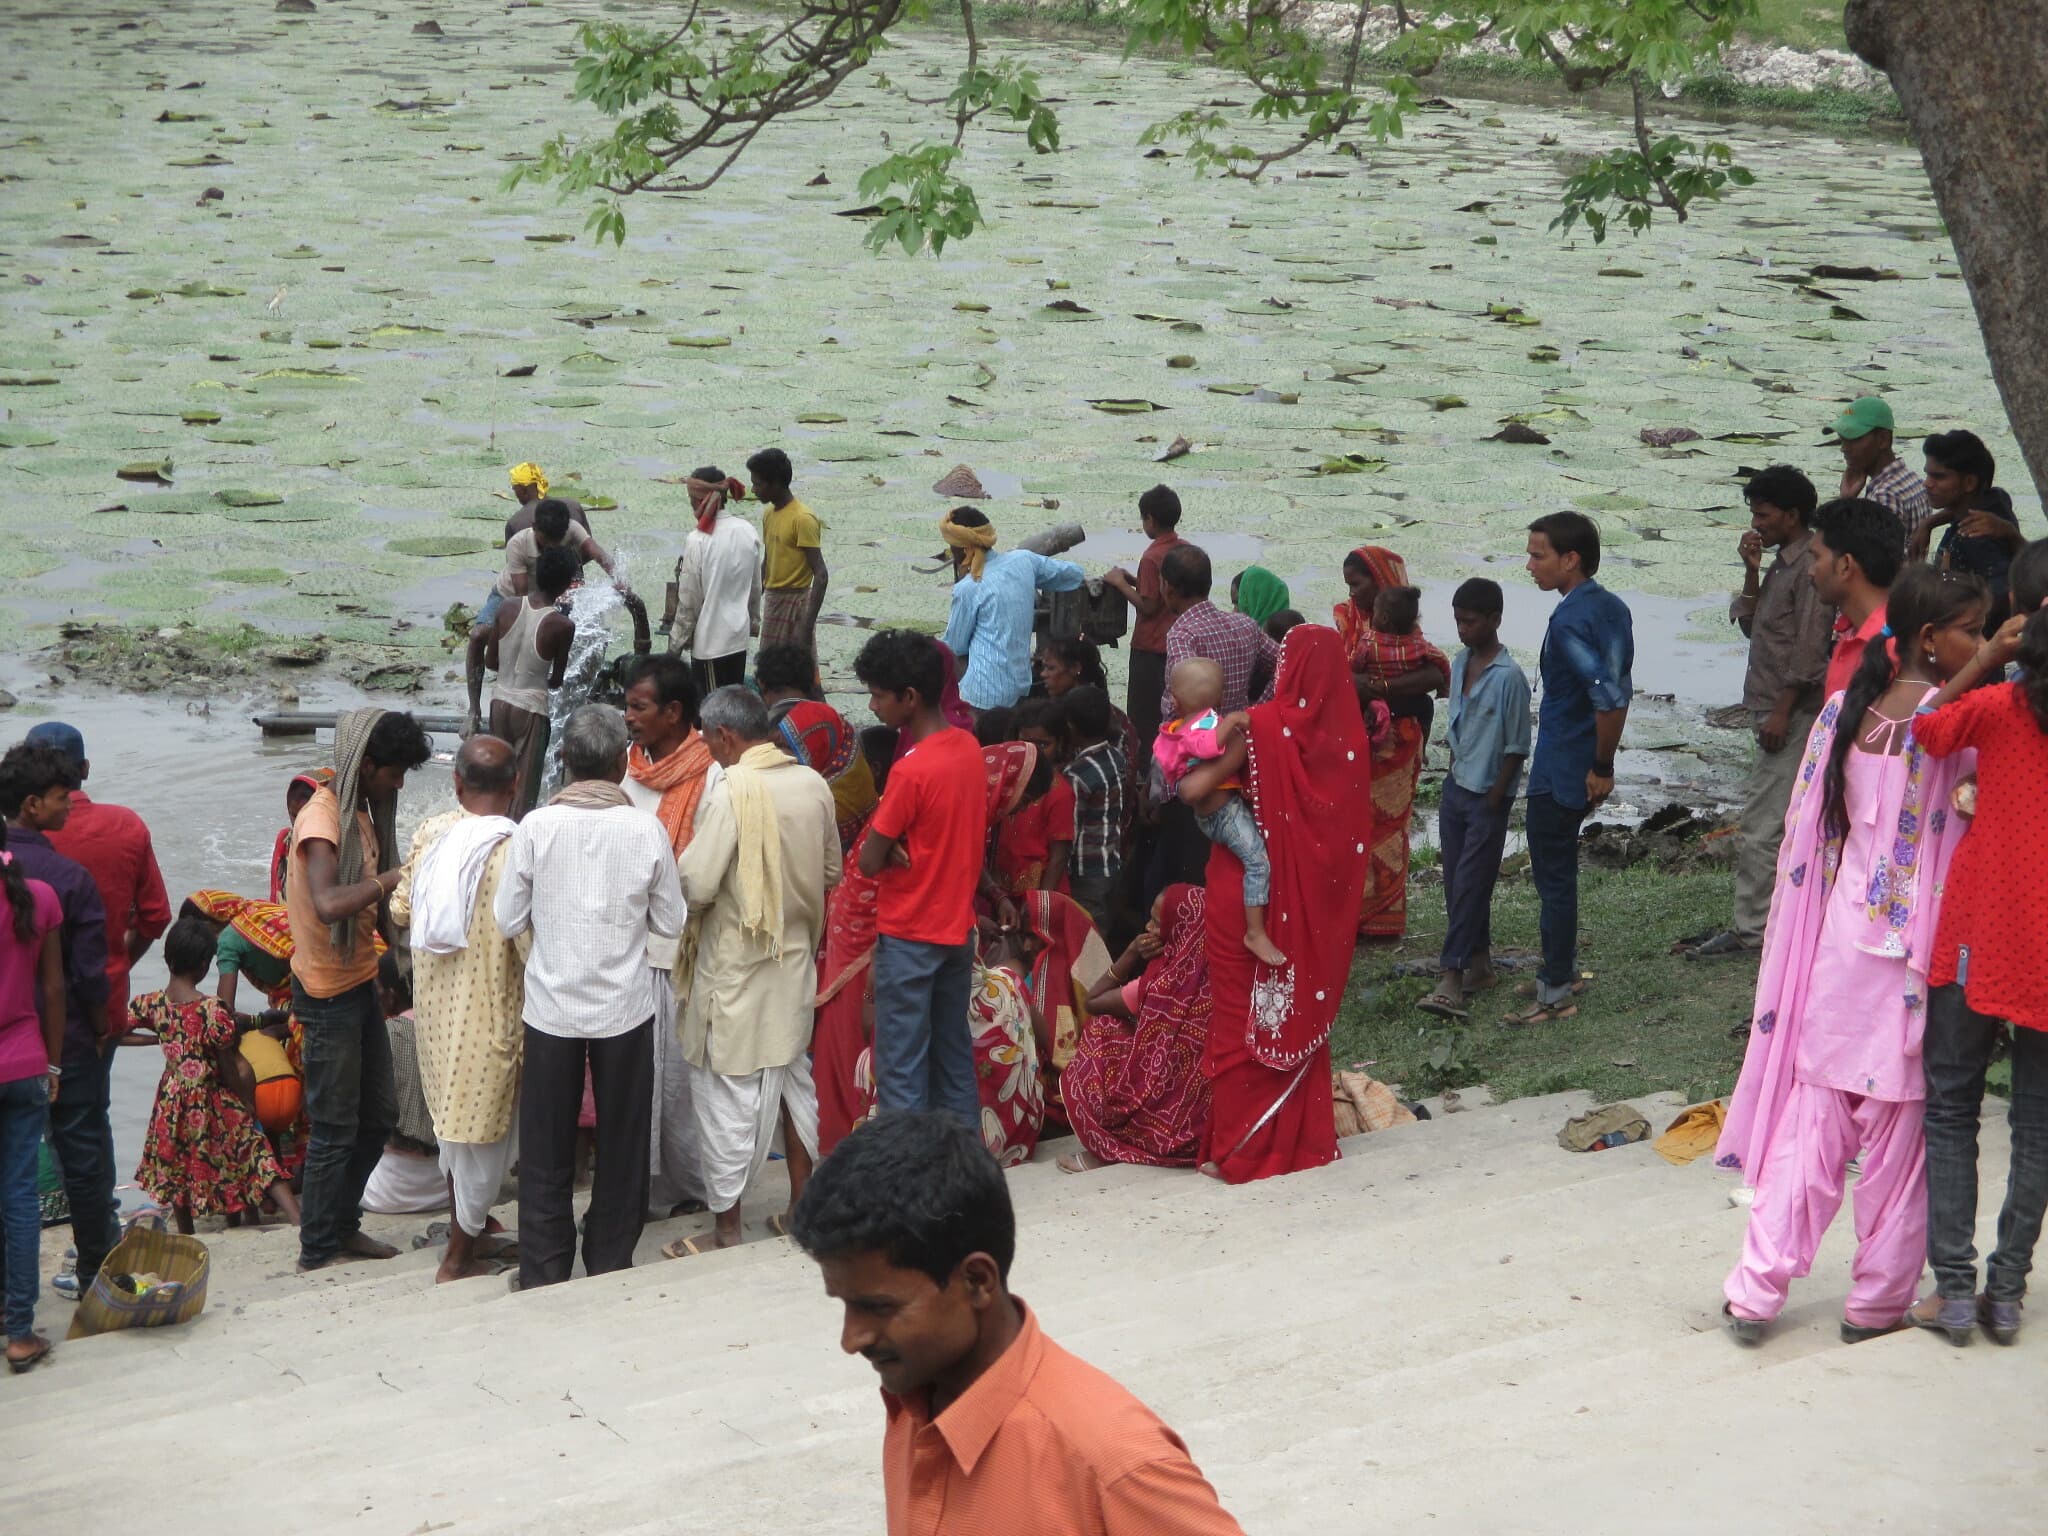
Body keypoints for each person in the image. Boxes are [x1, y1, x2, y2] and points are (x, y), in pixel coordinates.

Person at [1715, 565, 1987, 1345]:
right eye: (1972, 629)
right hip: (1909, 954)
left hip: (1841, 943)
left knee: (1816, 1125)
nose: (1983, 642)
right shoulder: (1953, 724)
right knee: (1898, 1144)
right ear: (1932, 641)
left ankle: (1755, 1290)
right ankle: (1874, 1304)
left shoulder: (1844, 712)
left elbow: (1811, 839)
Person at [791, 1110, 1246, 1535]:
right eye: (845, 1305)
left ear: (977, 1281)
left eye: (879, 1307)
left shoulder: (1114, 1462)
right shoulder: (912, 1406)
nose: (852, 1339)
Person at [1899, 582, 2048, 1345]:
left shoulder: (2002, 709)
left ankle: (1954, 1293)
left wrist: (1989, 657)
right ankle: (2009, 1290)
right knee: (2037, 1124)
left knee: (1951, 1106)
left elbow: (1919, 727)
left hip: (1978, 939)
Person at [495, 704, 684, 1289]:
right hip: (624, 1007)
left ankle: (544, 1267)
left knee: (547, 1145)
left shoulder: (536, 827)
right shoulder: (645, 828)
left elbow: (507, 920)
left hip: (552, 1006)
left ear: (565, 761)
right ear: (619, 761)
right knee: (623, 1143)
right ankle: (608, 1259)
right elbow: (671, 920)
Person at [1178, 626, 1370, 1183]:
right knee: (1286, 1012)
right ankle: (1297, 1141)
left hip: (1241, 897)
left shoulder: (1262, 728)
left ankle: (1240, 1150)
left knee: (1239, 1017)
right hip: (1305, 908)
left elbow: (1192, 792)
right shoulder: (1346, 743)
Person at [666, 688, 839, 1253]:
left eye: (709, 741)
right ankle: (800, 1208)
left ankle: (726, 1231)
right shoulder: (814, 784)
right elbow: (832, 868)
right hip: (792, 962)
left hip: (734, 969)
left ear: (725, 737)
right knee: (792, 1083)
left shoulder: (731, 790)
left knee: (727, 1098)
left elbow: (695, 883)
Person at [287, 707, 432, 1272]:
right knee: (333, 1126)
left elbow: (372, 912)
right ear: (368, 765)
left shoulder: (362, 815)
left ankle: (342, 1226)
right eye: (394, 773)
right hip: (325, 996)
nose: (399, 784)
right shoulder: (323, 820)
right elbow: (328, 905)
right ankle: (318, 1246)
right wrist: (395, 880)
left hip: (359, 983)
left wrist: (396, 960)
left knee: (378, 1116)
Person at [388, 736, 526, 1284]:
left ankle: (467, 1232)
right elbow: (531, 942)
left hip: (437, 1020)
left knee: (454, 1133)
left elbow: (399, 910)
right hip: (493, 1020)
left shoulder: (431, 833)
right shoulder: (518, 848)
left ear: (457, 784)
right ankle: (456, 1260)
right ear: (516, 786)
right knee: (485, 1141)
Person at [1689, 465, 1833, 960]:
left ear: (1792, 515)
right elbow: (1755, 628)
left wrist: (1781, 713)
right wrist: (1751, 569)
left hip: (1789, 713)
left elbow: (1811, 651)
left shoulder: (1810, 566)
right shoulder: (1781, 563)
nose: (1757, 522)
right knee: (1782, 819)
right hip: (1773, 707)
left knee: (1762, 825)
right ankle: (1778, 922)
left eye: (1764, 514)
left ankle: (1753, 931)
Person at [855, 630, 988, 1127]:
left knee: (902, 1068)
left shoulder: (910, 772)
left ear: (908, 698)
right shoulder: (969, 748)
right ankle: (961, 1172)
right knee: (953, 1056)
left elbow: (868, 860)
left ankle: (907, 1182)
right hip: (958, 929)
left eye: (877, 695)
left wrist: (890, 851)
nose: (872, 706)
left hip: (910, 934)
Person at [0, 743, 114, 1300]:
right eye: (61, 797)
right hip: (60, 1043)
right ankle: (97, 1271)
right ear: (31, 806)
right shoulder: (69, 880)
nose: (71, 805)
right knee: (83, 1158)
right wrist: (98, 1027)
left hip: (13, 1048)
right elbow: (89, 976)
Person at [1511, 513, 1633, 1027]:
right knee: (1559, 875)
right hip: (1582, 759)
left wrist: (1599, 766)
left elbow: (1609, 698)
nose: (1530, 564)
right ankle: (1561, 968)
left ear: (1571, 559)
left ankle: (1556, 990)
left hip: (1563, 765)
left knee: (1554, 878)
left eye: (1539, 555)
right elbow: (1619, 691)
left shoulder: (1567, 622)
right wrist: (1602, 762)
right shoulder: (1612, 607)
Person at [619, 654, 716, 1216]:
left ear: (674, 712)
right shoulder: (626, 770)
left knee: (680, 1081)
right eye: (628, 705)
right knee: (639, 1080)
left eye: (640, 706)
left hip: (682, 950)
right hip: (630, 950)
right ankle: (643, 1189)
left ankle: (691, 1189)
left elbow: (700, 870)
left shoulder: (710, 775)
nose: (629, 717)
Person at [130, 916, 300, 1235]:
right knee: (254, 1151)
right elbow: (229, 1062)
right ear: (205, 965)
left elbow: (114, 1031)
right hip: (214, 1097)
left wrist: (156, 1038)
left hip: (172, 1102)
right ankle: (298, 1222)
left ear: (167, 958)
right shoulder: (212, 1009)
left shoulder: (151, 1005)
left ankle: (187, 1234)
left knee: (177, 1166)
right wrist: (245, 1102)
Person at [1418, 579, 1531, 1020]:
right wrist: (1449, 778)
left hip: (1488, 795)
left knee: (1470, 882)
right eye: (1458, 620)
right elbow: (1458, 729)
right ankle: (1480, 964)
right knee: (1457, 883)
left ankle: (1452, 975)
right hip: (1456, 789)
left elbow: (1517, 746)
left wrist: (1496, 796)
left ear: (1495, 620)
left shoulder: (1510, 679)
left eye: (1471, 621)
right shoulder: (1460, 662)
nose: (1463, 629)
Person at [28, 722, 171, 1047]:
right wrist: (119, 960)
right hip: (102, 1006)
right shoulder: (126, 825)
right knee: (88, 1097)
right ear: (85, 769)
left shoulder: (18, 837)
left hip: (23, 1010)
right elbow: (156, 917)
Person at [1332, 549, 1449, 942]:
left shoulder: (1403, 632)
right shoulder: (1348, 621)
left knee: (1390, 822)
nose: (1352, 592)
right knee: (1353, 821)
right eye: (1349, 584)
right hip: (1358, 734)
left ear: (1381, 584)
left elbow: (1434, 675)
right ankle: (1354, 909)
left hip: (1398, 735)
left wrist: (1376, 686)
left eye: (1358, 583)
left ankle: (1383, 914)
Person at [1059, 885, 1213, 1173]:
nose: (1147, 927)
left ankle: (1110, 1145)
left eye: (1156, 922)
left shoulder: (1156, 987)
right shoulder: (1230, 981)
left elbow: (1093, 1002)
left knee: (1101, 1029)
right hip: (1204, 1133)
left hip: (1158, 1131)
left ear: (1178, 929)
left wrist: (1130, 954)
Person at [1153, 543, 1279, 893]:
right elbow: (1284, 666)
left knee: (1188, 862)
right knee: (1230, 855)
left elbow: (1174, 702)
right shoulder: (1244, 625)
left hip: (1195, 765)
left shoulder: (1183, 633)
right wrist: (1254, 711)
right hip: (1235, 757)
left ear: (1169, 588)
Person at [1153, 659, 1284, 966]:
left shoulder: (1173, 729)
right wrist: (1231, 722)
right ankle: (1255, 932)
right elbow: (1208, 747)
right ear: (1222, 698)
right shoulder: (1204, 726)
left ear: (1174, 700)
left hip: (1214, 815)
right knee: (1258, 861)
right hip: (1224, 814)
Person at [0, 819, 66, 1375]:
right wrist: (54, 1062)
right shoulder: (38, 898)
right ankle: (20, 1332)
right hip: (24, 1062)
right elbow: (52, 989)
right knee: (19, 1196)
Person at [466, 490, 616, 732]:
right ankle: (474, 710)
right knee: (478, 636)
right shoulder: (518, 544)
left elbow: (597, 553)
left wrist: (619, 579)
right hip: (510, 596)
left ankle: (559, 711)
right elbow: (521, 599)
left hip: (551, 595)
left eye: (560, 540)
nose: (555, 547)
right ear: (535, 528)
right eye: (549, 541)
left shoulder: (572, 528)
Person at [939, 506, 1087, 712]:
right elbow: (1073, 575)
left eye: (951, 546)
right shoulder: (1023, 560)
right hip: (1019, 686)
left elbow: (956, 646)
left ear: (961, 548)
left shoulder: (968, 588)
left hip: (982, 696)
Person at [762, 644, 882, 858]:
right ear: (811, 683)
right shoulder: (838, 722)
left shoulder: (772, 729)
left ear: (764, 687)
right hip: (856, 846)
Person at [486, 543, 576, 817]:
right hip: (531, 711)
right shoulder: (562, 625)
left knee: (495, 783)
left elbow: (490, 662)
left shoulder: (506, 607)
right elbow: (557, 680)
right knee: (522, 794)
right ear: (566, 586)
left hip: (498, 702)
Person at [1101, 483, 1187, 763]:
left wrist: (1117, 583)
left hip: (1150, 650)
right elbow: (1164, 595)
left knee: (1144, 717)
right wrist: (1134, 581)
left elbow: (1149, 606)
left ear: (1150, 519)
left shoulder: (1152, 557)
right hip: (1178, 648)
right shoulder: (1184, 550)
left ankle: (1143, 771)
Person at [1914, 430, 2025, 619]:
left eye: (1938, 477)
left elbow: (2001, 597)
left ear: (1969, 483)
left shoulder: (1973, 536)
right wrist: (1929, 523)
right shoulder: (1995, 500)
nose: (1927, 484)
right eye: (1927, 475)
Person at [669, 465, 762, 692]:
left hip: (710, 644)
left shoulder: (698, 539)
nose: (691, 504)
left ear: (700, 499)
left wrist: (675, 647)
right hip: (738, 639)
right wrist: (753, 623)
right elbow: (755, 587)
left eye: (691, 498)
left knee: (711, 713)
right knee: (731, 708)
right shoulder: (747, 530)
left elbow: (689, 600)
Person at [1812, 497, 1906, 700]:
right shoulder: (1849, 633)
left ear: (1845, 565)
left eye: (1816, 558)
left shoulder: (1895, 650)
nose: (1810, 571)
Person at [1058, 685, 1133, 933]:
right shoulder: (1116, 756)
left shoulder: (1077, 774)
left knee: (1086, 935)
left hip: (1084, 872)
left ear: (1070, 727)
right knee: (1101, 928)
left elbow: (1071, 829)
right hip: (1111, 861)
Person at [988, 699, 1075, 899]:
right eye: (1026, 742)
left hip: (1041, 889)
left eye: (1044, 744)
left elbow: (1059, 855)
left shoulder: (1059, 792)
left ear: (1060, 744)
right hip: (1002, 886)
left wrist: (1041, 902)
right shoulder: (1005, 783)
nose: (1034, 751)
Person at [751, 447, 827, 659]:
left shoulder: (803, 519)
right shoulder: (769, 515)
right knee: (769, 673)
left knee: (803, 675)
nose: (753, 490)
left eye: (758, 484)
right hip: (774, 603)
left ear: (775, 483)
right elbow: (768, 563)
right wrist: (752, 605)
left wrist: (807, 625)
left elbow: (821, 574)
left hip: (796, 607)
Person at [1036, 634, 1142, 779]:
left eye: (1050, 668)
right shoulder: (1105, 711)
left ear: (1075, 668)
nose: (1043, 674)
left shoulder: (1102, 718)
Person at [1830, 395, 1930, 540]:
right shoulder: (1913, 479)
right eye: (1842, 440)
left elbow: (1877, 558)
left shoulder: (1884, 495)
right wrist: (1847, 500)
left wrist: (1844, 505)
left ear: (1883, 439)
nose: (1844, 448)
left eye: (1854, 439)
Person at [267, 769, 333, 902]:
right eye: (294, 815)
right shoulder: (285, 841)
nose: (298, 823)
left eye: (304, 815)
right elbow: (275, 895)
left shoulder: (334, 845)